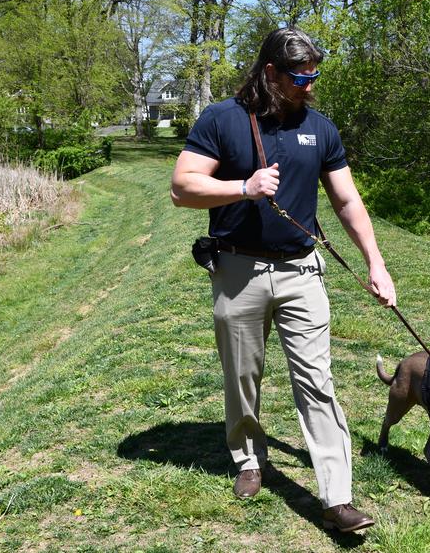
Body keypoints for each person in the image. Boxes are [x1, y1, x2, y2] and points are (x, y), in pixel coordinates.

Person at [170, 27, 396, 533]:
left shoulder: (321, 128)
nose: (309, 87)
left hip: (301, 271)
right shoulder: (222, 119)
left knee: (317, 381)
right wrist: (242, 188)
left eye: (314, 76)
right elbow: (182, 188)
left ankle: (337, 497)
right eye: (299, 77)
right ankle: (249, 459)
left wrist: (375, 263)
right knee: (242, 375)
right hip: (238, 270)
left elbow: (346, 200)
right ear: (270, 73)